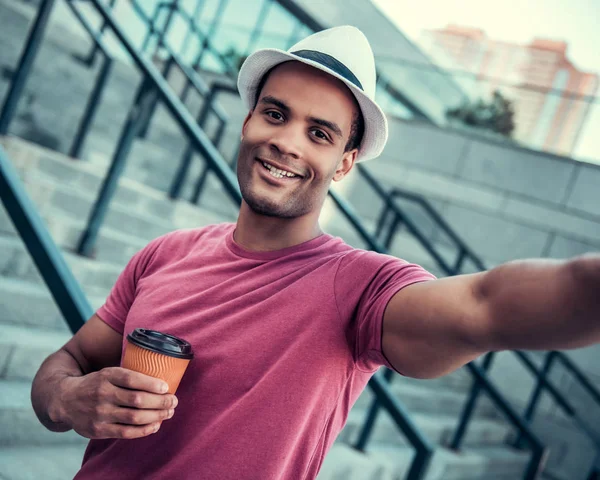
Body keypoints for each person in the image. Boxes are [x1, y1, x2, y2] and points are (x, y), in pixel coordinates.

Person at [31, 26, 599, 480]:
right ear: (249, 117)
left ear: (345, 163)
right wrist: (70, 398)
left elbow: (486, 303)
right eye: (275, 114)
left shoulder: (358, 288)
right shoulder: (165, 254)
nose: (287, 141)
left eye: (320, 133)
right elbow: (68, 362)